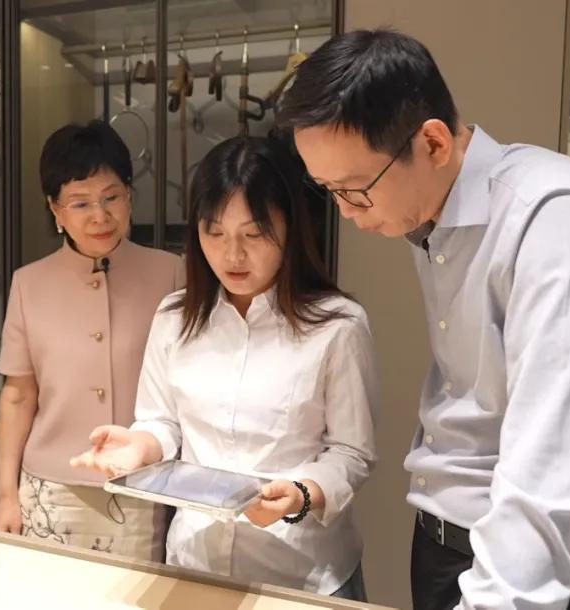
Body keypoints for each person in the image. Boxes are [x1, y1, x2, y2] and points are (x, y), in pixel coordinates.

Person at [280, 29, 570, 610]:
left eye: (356, 190)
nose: (348, 214)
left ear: (433, 143)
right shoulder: (429, 215)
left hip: (550, 573)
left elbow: (550, 471)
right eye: (328, 191)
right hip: (446, 541)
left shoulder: (555, 218)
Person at [71, 135, 377, 599]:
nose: (232, 255)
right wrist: (140, 445)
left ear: (291, 228)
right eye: (214, 233)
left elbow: (351, 453)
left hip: (301, 570)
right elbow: (163, 422)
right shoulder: (175, 317)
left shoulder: (337, 326)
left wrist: (301, 493)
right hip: (196, 560)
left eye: (253, 235)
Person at [0, 121, 183, 560]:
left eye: (111, 197)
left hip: (141, 485)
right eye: (80, 203)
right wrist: (6, 495)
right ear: (55, 210)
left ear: (129, 195)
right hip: (49, 488)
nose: (100, 216)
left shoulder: (170, 273)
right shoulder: (28, 284)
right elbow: (18, 396)